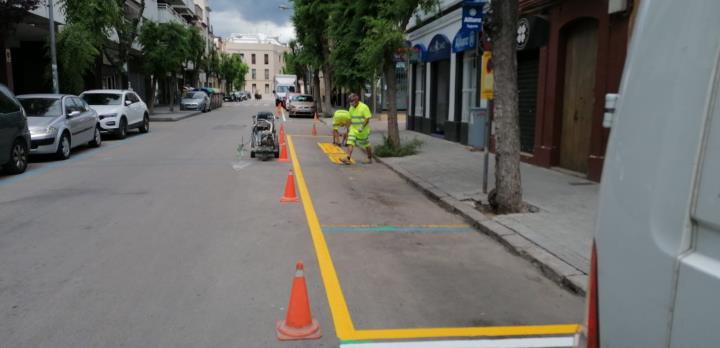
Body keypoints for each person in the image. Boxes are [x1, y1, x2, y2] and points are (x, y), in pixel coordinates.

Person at [341, 93, 373, 164]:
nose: (351, 103)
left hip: (363, 130)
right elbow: (349, 119)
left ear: (357, 100)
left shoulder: (364, 107)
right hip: (353, 129)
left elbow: (367, 118)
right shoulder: (351, 108)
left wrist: (362, 127)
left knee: (366, 144)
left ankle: (369, 158)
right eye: (350, 101)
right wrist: (348, 129)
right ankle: (347, 158)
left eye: (352, 101)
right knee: (350, 142)